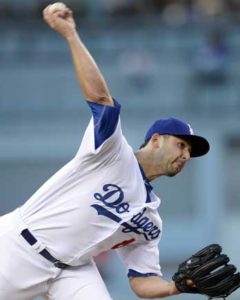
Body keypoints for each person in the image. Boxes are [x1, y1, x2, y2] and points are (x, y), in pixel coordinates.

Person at [0, 3, 210, 300]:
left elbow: (142, 280)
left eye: (190, 151)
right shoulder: (112, 152)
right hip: (18, 248)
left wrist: (175, 287)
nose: (186, 155)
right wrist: (71, 35)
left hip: (73, 271)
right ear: (156, 140)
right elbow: (101, 98)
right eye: (181, 144)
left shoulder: (151, 222)